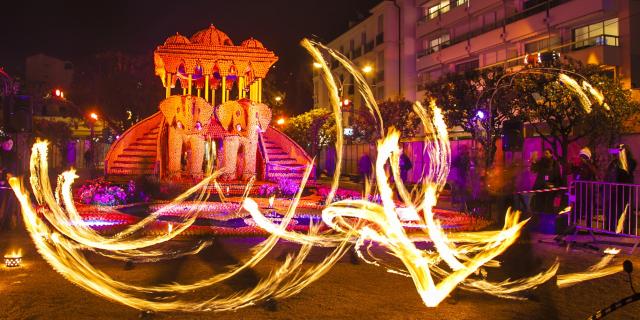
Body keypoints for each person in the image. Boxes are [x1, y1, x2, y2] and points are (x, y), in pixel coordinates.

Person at [605, 144, 637, 234]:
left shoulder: (630, 162)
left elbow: (627, 169)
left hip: (625, 189)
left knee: (626, 210)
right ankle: (611, 229)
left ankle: (627, 230)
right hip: (615, 190)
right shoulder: (615, 162)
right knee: (614, 209)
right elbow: (609, 173)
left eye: (619, 150)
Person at [570, 147, 598, 228]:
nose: (581, 158)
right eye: (581, 156)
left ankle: (589, 228)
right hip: (578, 191)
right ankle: (573, 226)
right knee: (575, 209)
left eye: (584, 157)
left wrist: (586, 163)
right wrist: (572, 163)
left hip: (588, 192)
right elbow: (569, 171)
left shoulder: (590, 165)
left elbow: (594, 173)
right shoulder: (577, 165)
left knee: (588, 210)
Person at [530, 148, 562, 214]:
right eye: (544, 153)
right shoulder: (541, 162)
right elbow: (534, 170)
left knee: (548, 206)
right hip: (541, 187)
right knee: (539, 206)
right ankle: (539, 220)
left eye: (547, 153)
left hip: (550, 189)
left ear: (551, 154)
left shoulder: (555, 164)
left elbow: (557, 176)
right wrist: (533, 161)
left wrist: (555, 186)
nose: (545, 155)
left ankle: (548, 220)